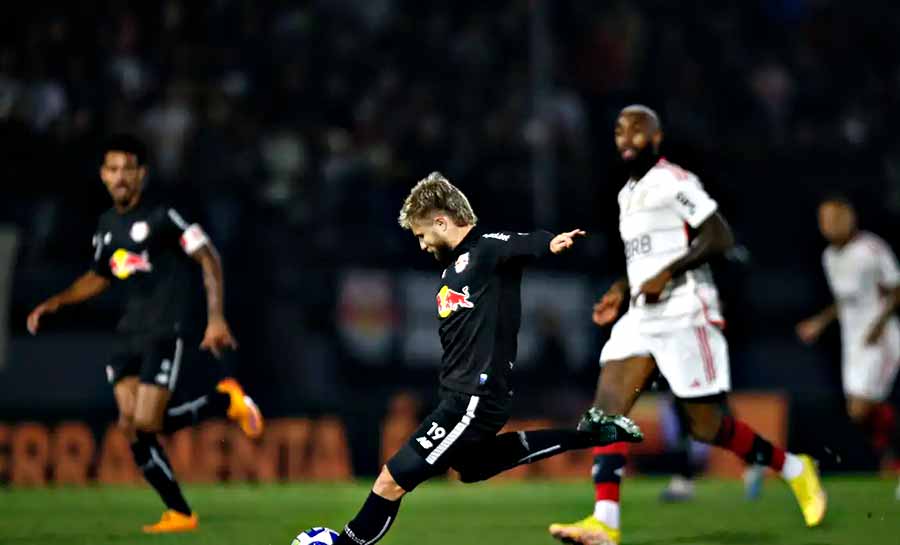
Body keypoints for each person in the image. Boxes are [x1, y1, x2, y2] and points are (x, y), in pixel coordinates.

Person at [548, 105, 826, 545]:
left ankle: (794, 467)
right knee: (607, 407)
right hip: (641, 315)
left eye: (637, 130)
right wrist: (622, 287)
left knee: (706, 426)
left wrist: (668, 274)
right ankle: (605, 521)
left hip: (686, 310)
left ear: (656, 139)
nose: (626, 137)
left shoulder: (673, 180)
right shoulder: (626, 194)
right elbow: (644, 259)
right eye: (619, 130)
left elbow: (718, 235)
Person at [329, 172, 643, 545]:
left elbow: (518, 244)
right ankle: (589, 434)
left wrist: (550, 243)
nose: (421, 245)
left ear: (441, 222)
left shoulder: (485, 249)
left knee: (392, 479)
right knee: (471, 467)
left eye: (421, 235)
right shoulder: (454, 267)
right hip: (463, 397)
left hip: (472, 398)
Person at [27, 134, 263, 533]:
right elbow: (100, 276)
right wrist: (56, 302)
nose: (120, 177)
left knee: (146, 422)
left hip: (164, 329)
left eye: (127, 170)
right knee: (131, 426)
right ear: (103, 175)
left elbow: (208, 256)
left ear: (141, 175)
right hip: (127, 334)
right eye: (113, 170)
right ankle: (180, 512)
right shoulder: (105, 226)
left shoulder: (164, 216)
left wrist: (216, 317)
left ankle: (224, 403)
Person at [797, 195, 900, 499]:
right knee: (858, 413)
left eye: (833, 219)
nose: (827, 225)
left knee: (865, 405)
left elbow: (896, 290)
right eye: (823, 220)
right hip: (852, 340)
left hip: (880, 338)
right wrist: (819, 322)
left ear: (849, 218)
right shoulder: (830, 256)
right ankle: (889, 455)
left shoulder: (872, 249)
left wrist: (879, 325)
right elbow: (845, 301)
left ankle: (893, 461)